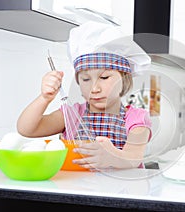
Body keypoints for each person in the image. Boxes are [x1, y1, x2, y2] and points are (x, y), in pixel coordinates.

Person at [17, 21, 152, 170]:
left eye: (104, 77)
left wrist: (112, 156)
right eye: (86, 79)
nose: (94, 88)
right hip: (77, 189)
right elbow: (27, 129)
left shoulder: (136, 118)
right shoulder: (72, 115)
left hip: (120, 191)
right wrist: (44, 98)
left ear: (124, 78)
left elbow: (133, 157)